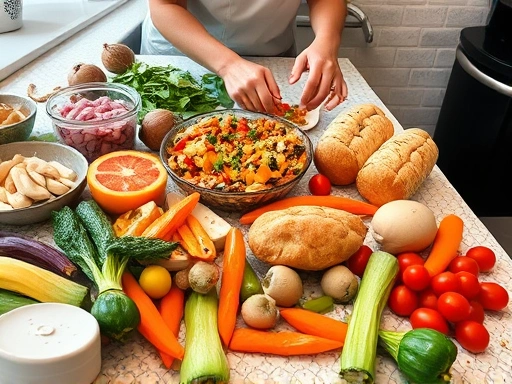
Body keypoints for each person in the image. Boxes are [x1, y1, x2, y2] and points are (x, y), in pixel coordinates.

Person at [141, 0, 348, 113]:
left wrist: (327, 41)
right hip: (186, 51)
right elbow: (165, 5)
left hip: (270, 51)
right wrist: (228, 65)